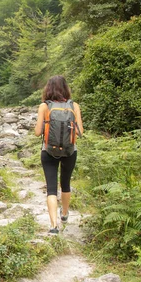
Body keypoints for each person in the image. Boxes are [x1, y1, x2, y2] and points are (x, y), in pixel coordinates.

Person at [34, 75, 83, 234]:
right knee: (66, 183)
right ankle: (64, 214)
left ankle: (53, 226)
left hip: (48, 150)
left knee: (51, 188)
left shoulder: (44, 106)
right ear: (65, 88)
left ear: (48, 89)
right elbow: (80, 132)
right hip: (70, 151)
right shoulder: (74, 106)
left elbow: (37, 133)